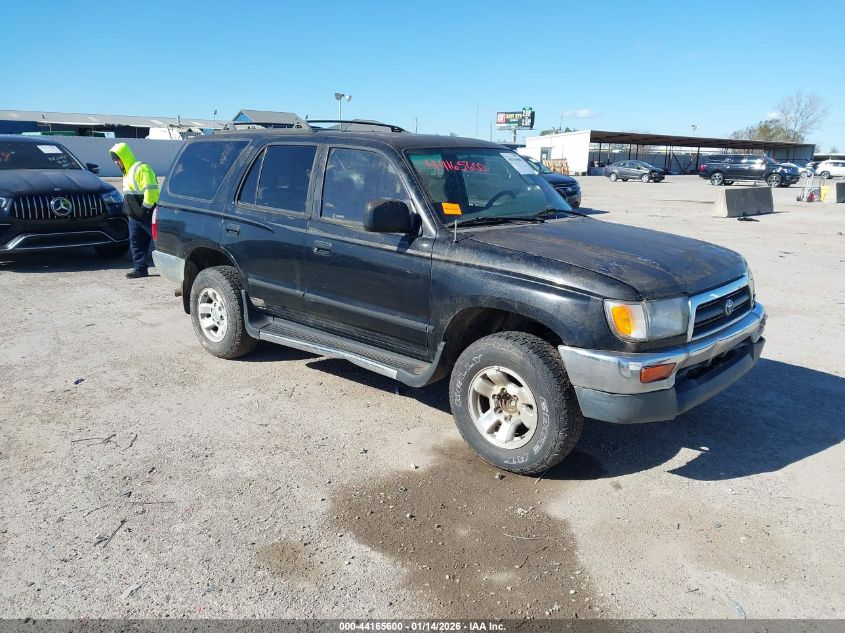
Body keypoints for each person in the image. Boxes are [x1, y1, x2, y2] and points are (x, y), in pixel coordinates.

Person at [109, 142, 159, 278]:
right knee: (136, 242)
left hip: (147, 214)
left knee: (159, 241)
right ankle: (140, 268)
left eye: (116, 159)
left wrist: (145, 208)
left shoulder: (141, 168)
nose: (115, 163)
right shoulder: (127, 172)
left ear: (123, 157)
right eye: (114, 160)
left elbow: (151, 190)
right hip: (134, 216)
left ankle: (172, 268)